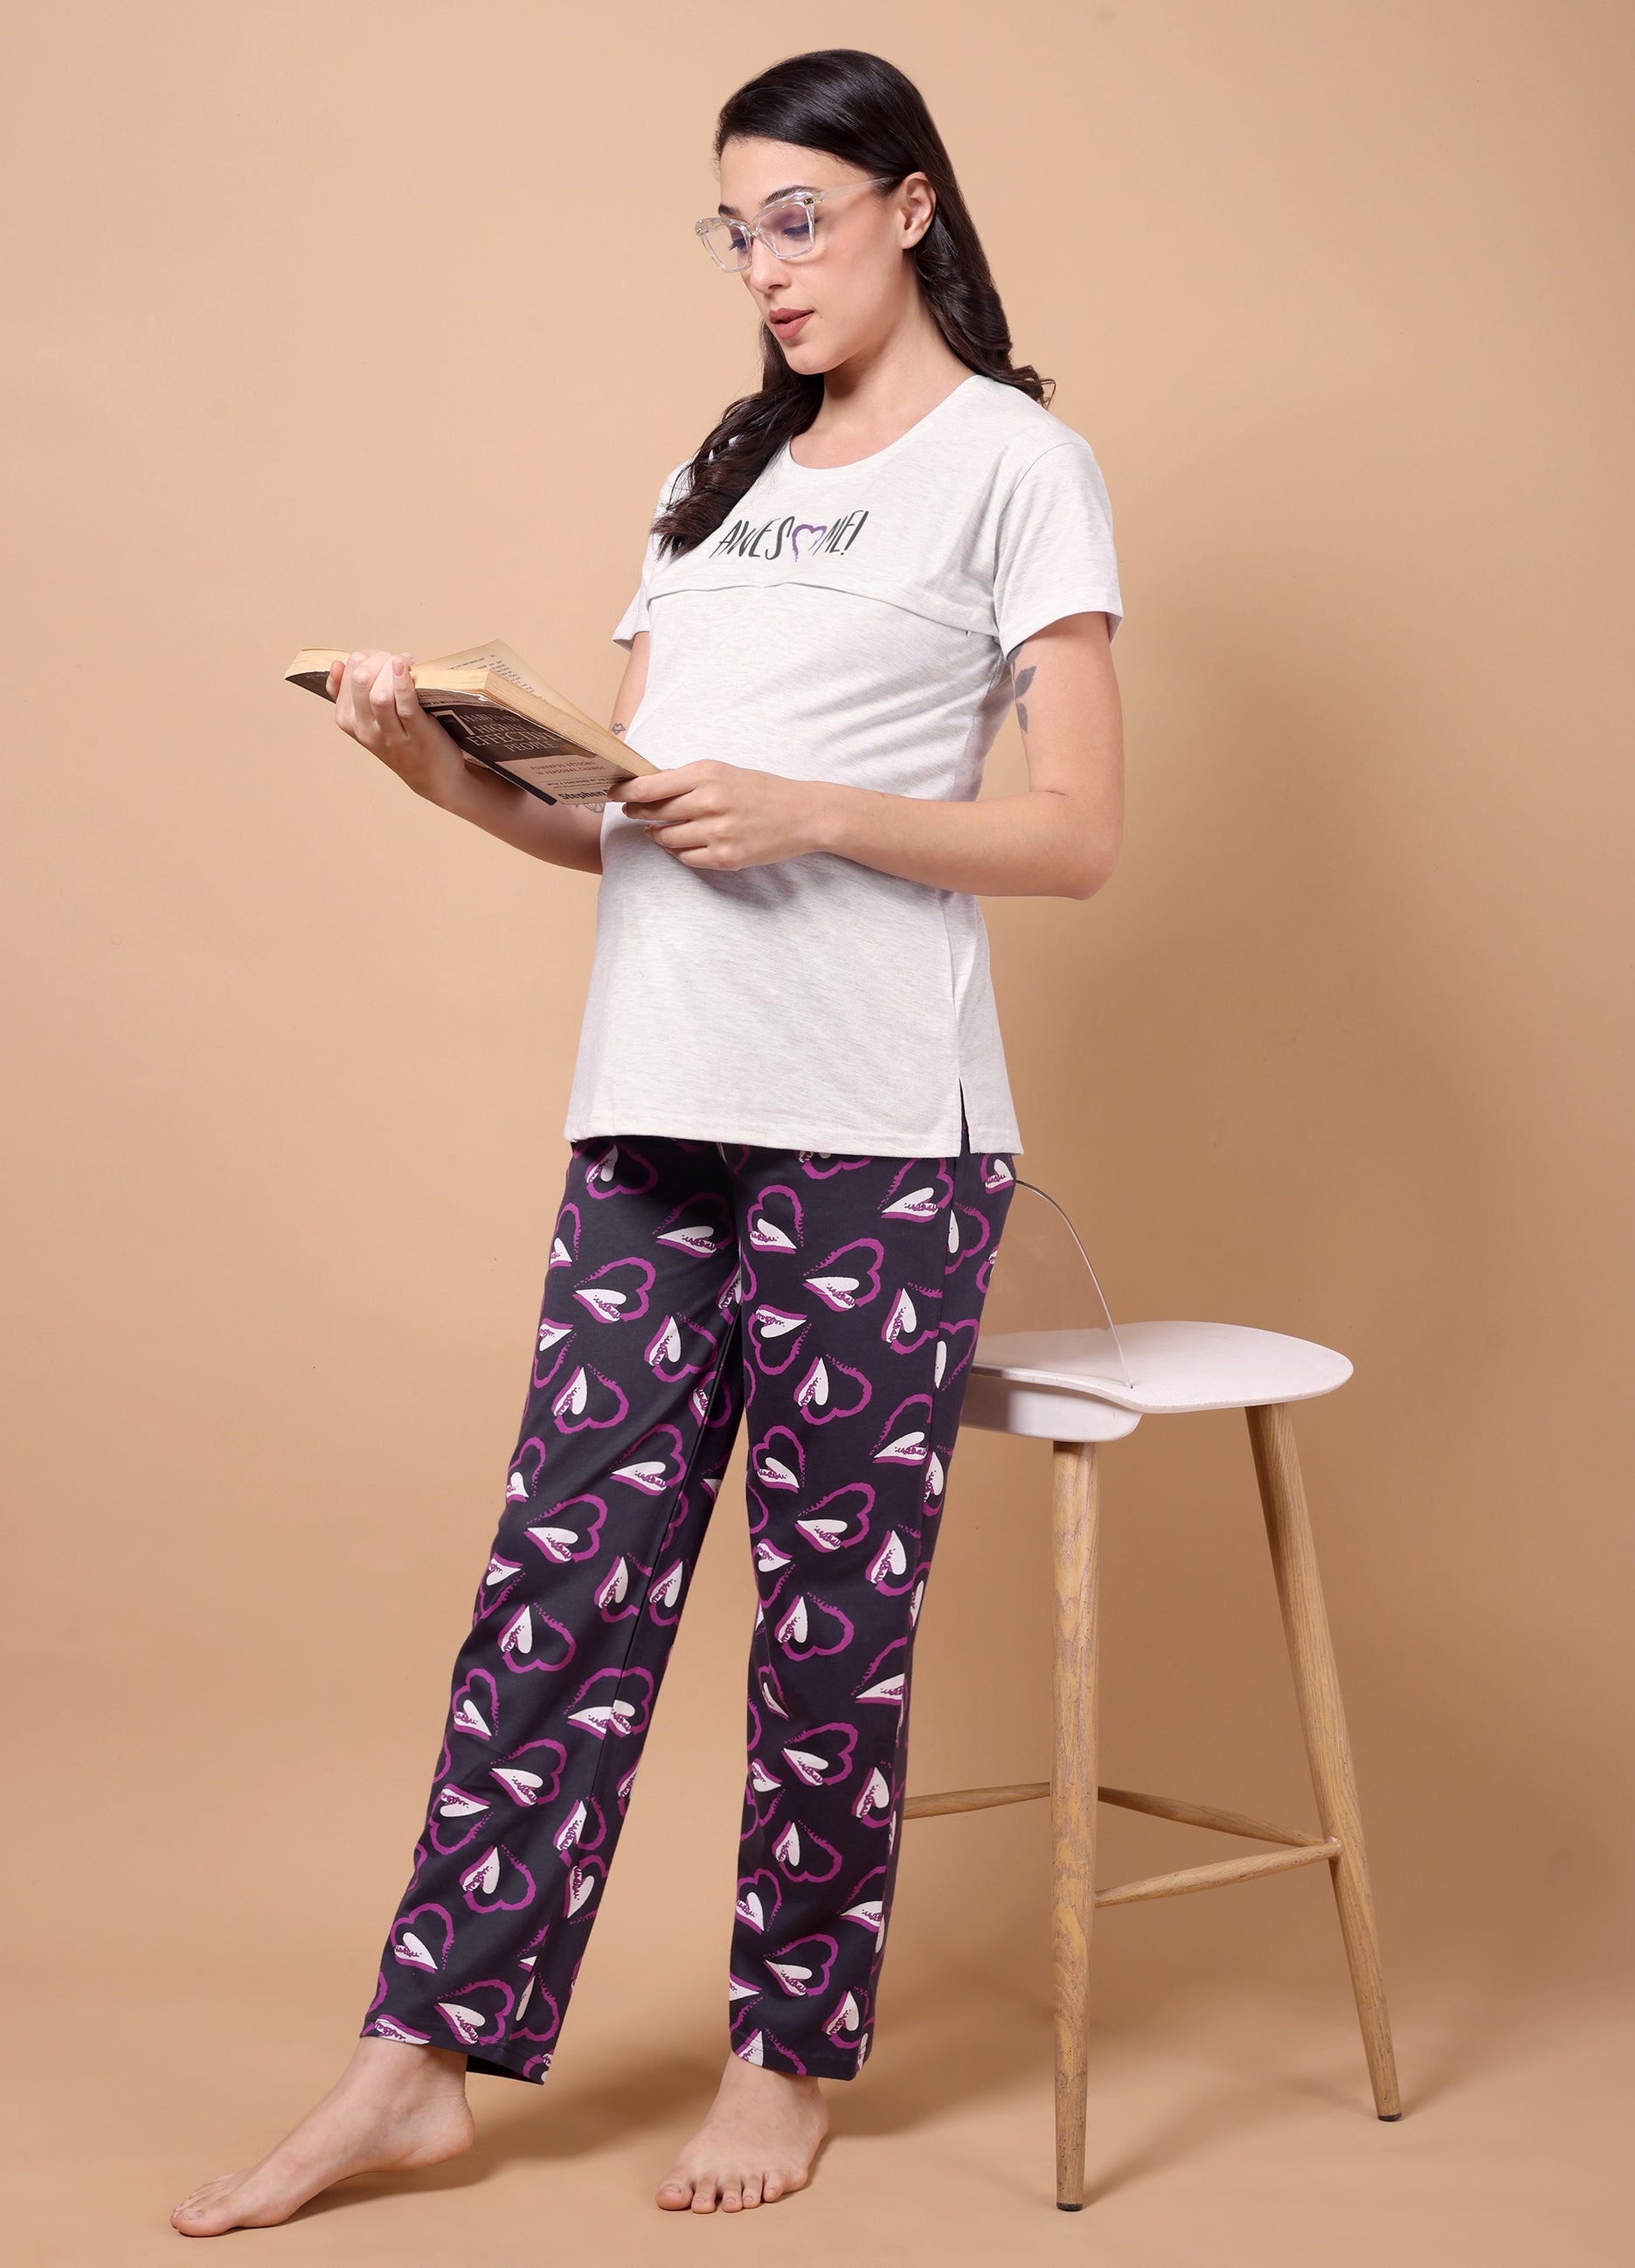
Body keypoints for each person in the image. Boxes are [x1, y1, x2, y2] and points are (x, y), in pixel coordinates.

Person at [170, 43, 1124, 2236]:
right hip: (655, 1102)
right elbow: (607, 820)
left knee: (827, 1615)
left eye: (798, 217)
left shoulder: (1020, 465)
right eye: (735, 229)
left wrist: (816, 812)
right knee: (557, 1586)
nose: (766, 266)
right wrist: (427, 760)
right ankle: (413, 2061)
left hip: (879, 1129)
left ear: (906, 205)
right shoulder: (715, 477)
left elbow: (1079, 834)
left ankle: (787, 2049)